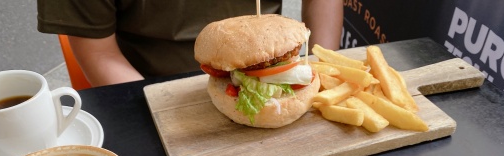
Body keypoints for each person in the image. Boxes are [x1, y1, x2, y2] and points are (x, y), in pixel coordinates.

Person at [37, 0, 343, 87]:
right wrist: (156, 106)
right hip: (151, 87)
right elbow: (98, 51)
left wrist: (319, 69)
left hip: (275, 74)